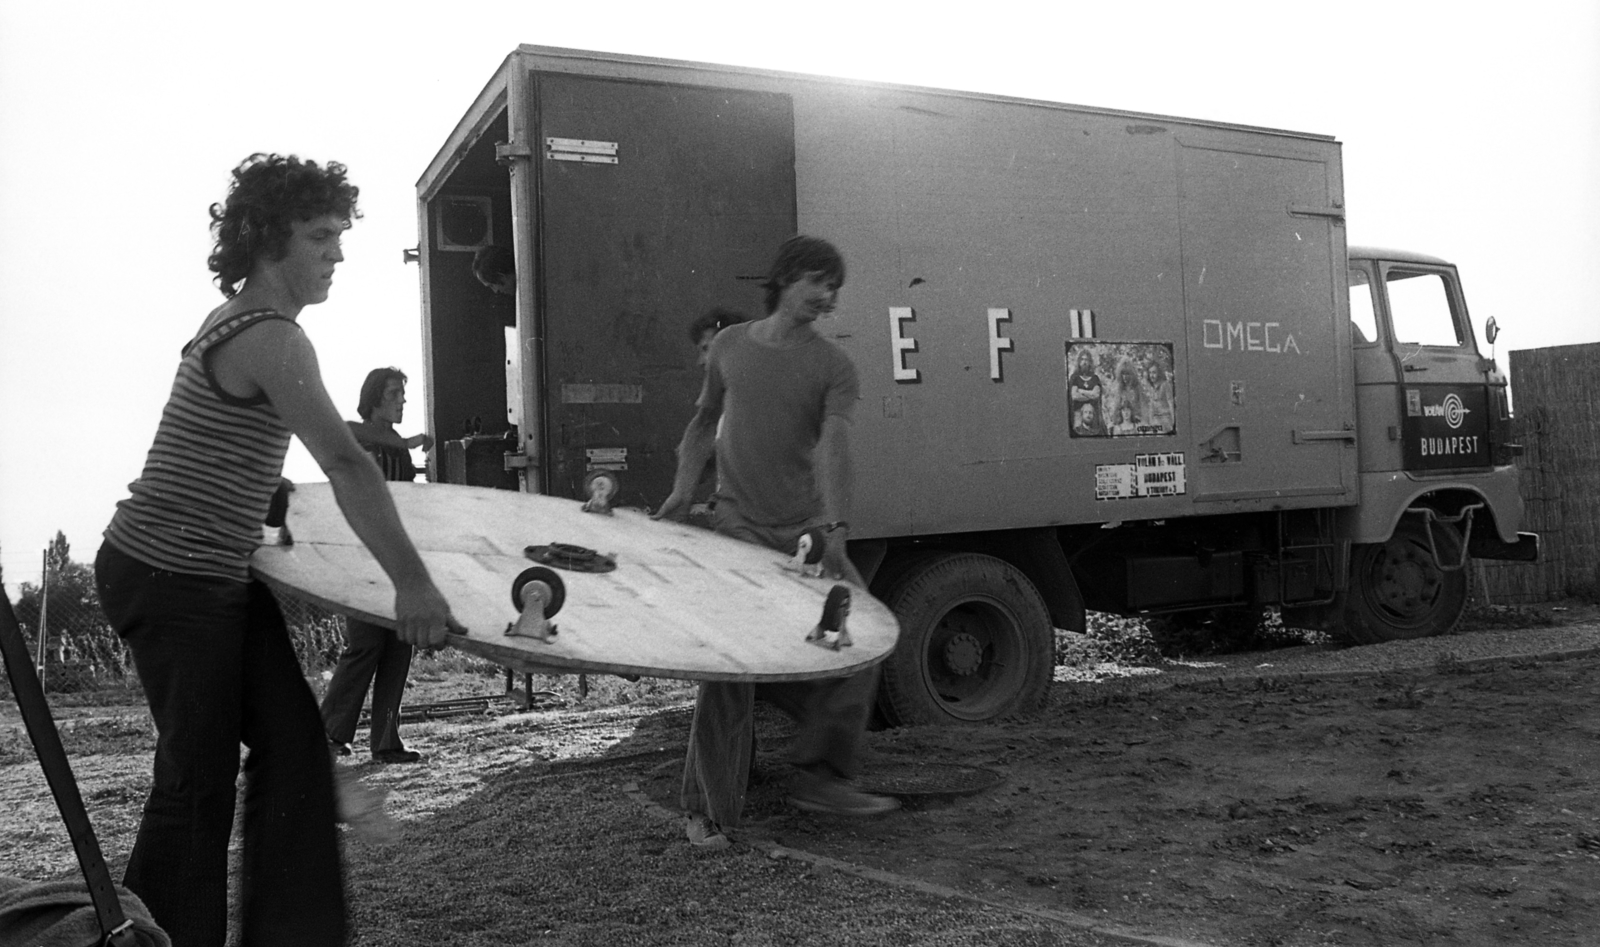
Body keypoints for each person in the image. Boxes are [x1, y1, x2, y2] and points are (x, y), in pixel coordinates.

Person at [94, 153, 455, 947]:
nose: (338, 254)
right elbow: (349, 462)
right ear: (266, 237)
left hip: (215, 572)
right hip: (168, 574)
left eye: (340, 237)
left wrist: (282, 512)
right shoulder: (272, 337)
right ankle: (161, 939)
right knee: (198, 783)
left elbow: (227, 457)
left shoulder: (249, 325)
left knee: (296, 744)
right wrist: (413, 586)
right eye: (321, 236)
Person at [654, 236, 898, 850]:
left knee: (865, 636)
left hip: (808, 529)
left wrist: (837, 530)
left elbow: (835, 447)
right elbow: (704, 419)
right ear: (786, 278)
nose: (828, 297)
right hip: (738, 526)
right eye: (819, 281)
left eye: (835, 287)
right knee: (732, 664)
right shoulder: (731, 347)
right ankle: (708, 808)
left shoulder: (833, 366)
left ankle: (821, 777)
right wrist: (685, 491)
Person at [320, 368, 434, 764]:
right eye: (394, 393)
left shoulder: (398, 447)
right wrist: (409, 441)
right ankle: (329, 735)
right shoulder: (356, 433)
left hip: (396, 557)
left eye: (403, 393)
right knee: (365, 644)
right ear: (374, 398)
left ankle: (386, 741)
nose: (402, 400)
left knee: (399, 646)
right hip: (362, 556)